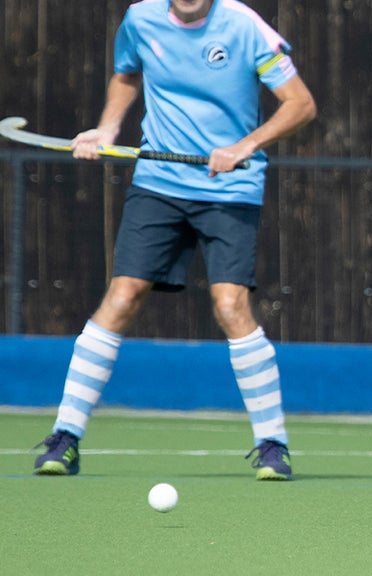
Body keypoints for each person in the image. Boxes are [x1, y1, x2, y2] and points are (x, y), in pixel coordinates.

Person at [31, 0, 316, 481]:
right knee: (122, 296)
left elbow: (301, 104)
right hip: (159, 183)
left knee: (230, 306)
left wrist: (244, 145)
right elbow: (126, 74)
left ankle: (273, 445)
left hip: (230, 187)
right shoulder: (140, 19)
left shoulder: (244, 27)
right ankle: (65, 438)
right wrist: (105, 129)